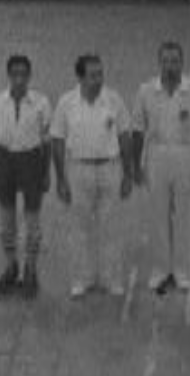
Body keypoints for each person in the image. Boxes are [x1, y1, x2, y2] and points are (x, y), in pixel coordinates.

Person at [132, 41, 190, 293]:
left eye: (175, 60)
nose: (170, 66)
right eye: (166, 61)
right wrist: (137, 164)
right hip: (156, 153)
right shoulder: (146, 91)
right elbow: (137, 129)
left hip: (185, 153)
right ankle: (160, 271)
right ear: (159, 63)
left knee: (184, 216)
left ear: (182, 62)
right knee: (158, 214)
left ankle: (183, 272)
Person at [51, 54, 133, 299]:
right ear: (80, 77)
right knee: (79, 228)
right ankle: (81, 279)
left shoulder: (114, 99)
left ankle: (112, 279)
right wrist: (61, 179)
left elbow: (125, 136)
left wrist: (127, 173)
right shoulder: (66, 103)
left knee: (111, 227)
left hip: (110, 168)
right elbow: (57, 140)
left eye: (100, 74)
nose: (98, 79)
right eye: (93, 75)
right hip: (78, 170)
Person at [0, 55, 52, 298]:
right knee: (6, 222)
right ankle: (11, 266)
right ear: (8, 75)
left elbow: (46, 142)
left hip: (31, 160)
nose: (19, 79)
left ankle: (31, 269)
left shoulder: (41, 103)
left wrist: (46, 173)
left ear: (29, 76)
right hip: (4, 161)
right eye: (14, 73)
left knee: (32, 222)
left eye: (23, 74)